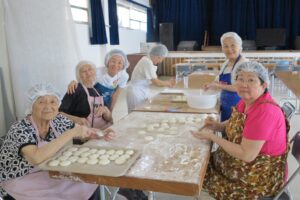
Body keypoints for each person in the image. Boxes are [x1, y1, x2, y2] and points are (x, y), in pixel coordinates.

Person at [0, 83, 115, 199]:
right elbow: (36, 157)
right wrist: (71, 133)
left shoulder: (57, 119)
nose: (48, 107)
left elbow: (83, 132)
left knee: (86, 184)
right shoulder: (20, 128)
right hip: (21, 179)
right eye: (41, 102)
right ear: (31, 106)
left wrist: (100, 133)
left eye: (53, 102)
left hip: (48, 172)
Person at [192, 62, 289, 199]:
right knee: (197, 164)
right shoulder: (246, 100)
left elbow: (246, 155)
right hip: (236, 163)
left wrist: (213, 137)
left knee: (198, 178)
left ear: (264, 85)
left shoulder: (265, 112)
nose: (244, 84)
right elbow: (236, 121)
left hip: (257, 177)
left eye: (251, 80)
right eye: (240, 79)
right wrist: (217, 126)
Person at [204, 32, 249, 121]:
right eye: (225, 46)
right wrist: (211, 85)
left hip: (239, 107)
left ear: (239, 47)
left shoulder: (243, 63)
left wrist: (219, 86)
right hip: (226, 106)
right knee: (225, 131)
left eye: (233, 45)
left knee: (236, 132)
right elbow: (218, 81)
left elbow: (239, 87)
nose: (229, 49)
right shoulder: (226, 63)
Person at [59, 61, 113, 129]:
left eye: (90, 69)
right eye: (84, 71)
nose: (88, 73)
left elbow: (110, 119)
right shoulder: (75, 89)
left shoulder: (97, 91)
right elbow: (59, 114)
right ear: (79, 75)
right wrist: (77, 120)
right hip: (86, 134)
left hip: (104, 129)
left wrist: (106, 110)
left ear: (95, 72)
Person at [126, 44, 176, 112]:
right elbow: (156, 82)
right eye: (161, 59)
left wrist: (166, 83)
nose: (160, 61)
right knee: (135, 113)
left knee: (142, 112)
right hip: (136, 92)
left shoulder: (147, 60)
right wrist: (169, 83)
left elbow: (154, 79)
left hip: (142, 90)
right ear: (157, 56)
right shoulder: (147, 62)